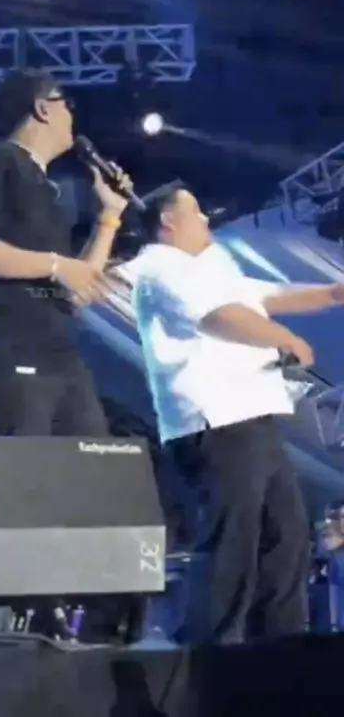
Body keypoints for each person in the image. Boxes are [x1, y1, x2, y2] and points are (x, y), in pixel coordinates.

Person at [130, 186, 344, 644]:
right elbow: (215, 316)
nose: (206, 217)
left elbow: (266, 294)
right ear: (168, 221)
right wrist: (283, 338)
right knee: (234, 541)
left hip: (252, 417)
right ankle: (214, 649)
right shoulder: (160, 267)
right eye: (195, 211)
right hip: (216, 422)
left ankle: (282, 645)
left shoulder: (206, 270)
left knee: (286, 536)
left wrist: (331, 292)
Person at [0, 69, 131, 438]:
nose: (72, 116)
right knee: (28, 469)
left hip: (61, 359)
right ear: (43, 108)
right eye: (68, 105)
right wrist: (56, 264)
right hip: (10, 355)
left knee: (96, 462)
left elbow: (76, 288)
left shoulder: (48, 191)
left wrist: (110, 215)